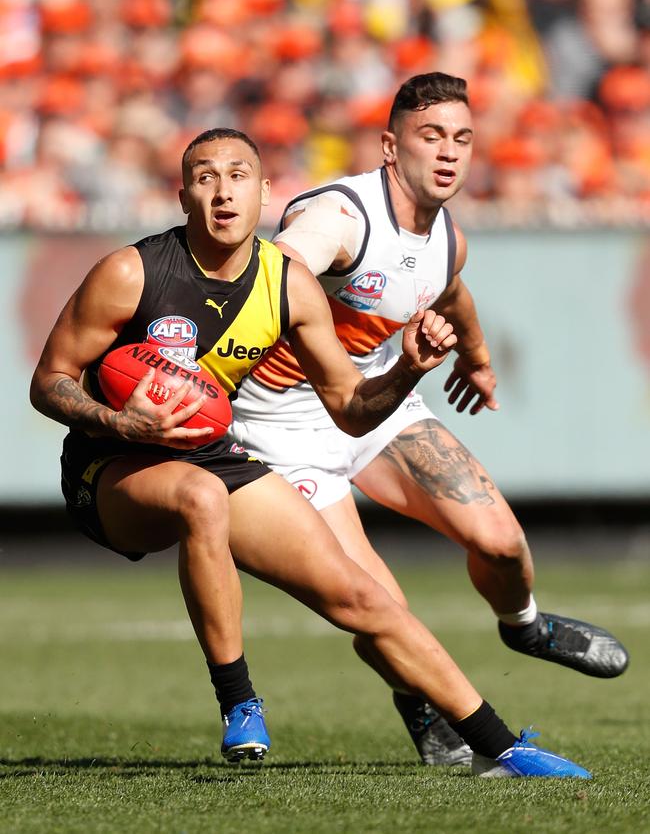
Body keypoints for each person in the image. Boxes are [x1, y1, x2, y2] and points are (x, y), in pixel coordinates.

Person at [30, 126, 591, 778]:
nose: (223, 191)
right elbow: (49, 380)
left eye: (239, 175)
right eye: (206, 177)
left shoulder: (289, 284)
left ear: (265, 192)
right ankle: (239, 702)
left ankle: (501, 747)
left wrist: (407, 369)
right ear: (182, 195)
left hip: (208, 451)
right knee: (199, 497)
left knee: (366, 597)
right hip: (110, 464)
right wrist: (120, 420)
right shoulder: (131, 271)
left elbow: (351, 408)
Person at [229, 74, 629, 766]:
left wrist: (474, 357)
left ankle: (525, 626)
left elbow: (449, 289)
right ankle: (418, 700)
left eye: (462, 138)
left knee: (502, 542)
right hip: (279, 430)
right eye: (431, 135)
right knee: (377, 603)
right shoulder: (340, 217)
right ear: (390, 146)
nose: (449, 152)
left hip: (377, 404)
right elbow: (275, 275)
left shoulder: (448, 236)